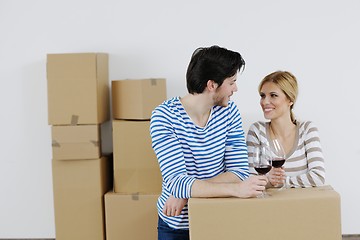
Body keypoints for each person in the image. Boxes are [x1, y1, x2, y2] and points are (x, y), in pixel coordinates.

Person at [150, 45, 268, 240]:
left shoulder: (229, 112)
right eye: (232, 82)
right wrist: (236, 190)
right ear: (212, 85)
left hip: (217, 216)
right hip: (177, 224)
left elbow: (238, 171)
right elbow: (176, 181)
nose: (235, 89)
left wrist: (186, 192)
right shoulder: (164, 116)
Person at [246, 70, 325, 188]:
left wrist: (282, 182)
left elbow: (318, 177)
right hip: (267, 205)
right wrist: (269, 180)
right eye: (263, 96)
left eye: (273, 95)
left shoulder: (307, 129)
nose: (265, 102)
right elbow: (250, 179)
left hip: (301, 205)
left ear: (290, 100)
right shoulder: (257, 130)